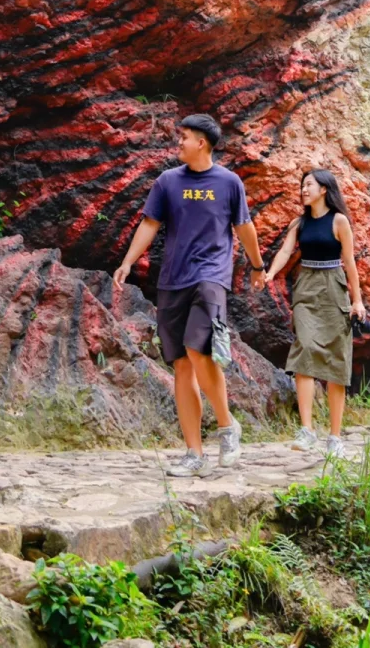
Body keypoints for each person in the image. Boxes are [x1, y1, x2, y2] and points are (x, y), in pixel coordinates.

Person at [113, 113, 266, 477]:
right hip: (172, 279)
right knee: (182, 364)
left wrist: (258, 266)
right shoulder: (168, 182)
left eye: (184, 137)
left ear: (202, 142)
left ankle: (227, 426)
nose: (177, 143)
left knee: (199, 348)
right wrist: (126, 262)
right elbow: (150, 224)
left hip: (211, 277)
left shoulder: (229, 183)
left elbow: (243, 227)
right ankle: (194, 454)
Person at [264, 168, 365, 459]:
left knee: (336, 360)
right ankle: (307, 430)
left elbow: (349, 262)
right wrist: (271, 273)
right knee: (305, 349)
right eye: (302, 185)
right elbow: (285, 252)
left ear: (324, 189)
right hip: (306, 288)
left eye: (309, 185)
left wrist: (357, 301)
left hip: (334, 288)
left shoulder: (339, 221)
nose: (303, 190)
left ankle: (334, 436)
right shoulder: (300, 223)